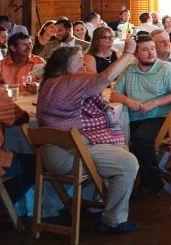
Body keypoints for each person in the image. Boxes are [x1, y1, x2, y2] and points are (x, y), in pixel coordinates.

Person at [36, 39, 139, 234]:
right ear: (65, 65)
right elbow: (105, 78)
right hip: (68, 155)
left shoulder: (48, 83)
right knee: (127, 163)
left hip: (49, 153)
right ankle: (112, 220)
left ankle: (94, 205)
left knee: (112, 149)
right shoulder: (70, 82)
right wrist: (127, 54)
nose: (83, 63)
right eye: (79, 60)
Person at [109, 35, 171, 198]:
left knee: (140, 139)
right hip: (135, 117)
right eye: (145, 50)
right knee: (114, 137)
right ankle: (120, 181)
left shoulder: (166, 69)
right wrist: (128, 100)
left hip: (162, 117)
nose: (151, 52)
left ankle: (153, 180)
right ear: (136, 54)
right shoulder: (130, 70)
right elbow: (114, 95)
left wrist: (156, 103)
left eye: (152, 48)